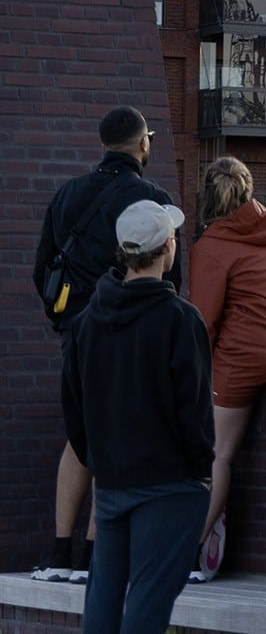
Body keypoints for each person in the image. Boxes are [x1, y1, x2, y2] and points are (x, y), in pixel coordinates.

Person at [31, 106, 182, 586]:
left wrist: (66, 319)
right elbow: (170, 279)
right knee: (114, 439)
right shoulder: (152, 199)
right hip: (129, 336)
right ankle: (98, 556)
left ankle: (59, 552)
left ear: (103, 144)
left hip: (76, 335)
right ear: (143, 144)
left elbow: (42, 271)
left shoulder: (68, 195)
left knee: (80, 438)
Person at [61, 200, 214, 634]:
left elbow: (73, 405)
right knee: (148, 598)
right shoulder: (180, 320)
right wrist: (200, 471)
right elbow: (196, 410)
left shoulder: (86, 321)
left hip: (111, 483)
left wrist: (96, 457)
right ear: (168, 246)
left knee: (104, 597)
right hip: (169, 484)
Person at [185, 156, 266, 582]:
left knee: (216, 452)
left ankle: (192, 546)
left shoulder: (212, 247)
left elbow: (203, 323)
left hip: (243, 360)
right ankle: (214, 516)